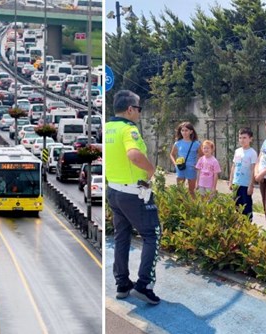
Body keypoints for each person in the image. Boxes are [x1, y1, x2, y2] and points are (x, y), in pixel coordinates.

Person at [105, 90, 160, 305]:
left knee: (122, 235)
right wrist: (151, 170)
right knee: (152, 234)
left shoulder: (108, 127)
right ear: (129, 109)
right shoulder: (129, 130)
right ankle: (144, 285)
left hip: (114, 191)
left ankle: (122, 283)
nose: (139, 112)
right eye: (138, 108)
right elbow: (134, 155)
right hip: (134, 193)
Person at [228, 128, 257, 221]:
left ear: (250, 139)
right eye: (240, 138)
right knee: (236, 204)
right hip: (236, 183)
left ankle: (248, 225)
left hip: (245, 185)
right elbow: (234, 166)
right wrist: (230, 181)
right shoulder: (237, 151)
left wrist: (251, 185)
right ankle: (238, 223)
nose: (242, 140)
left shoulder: (252, 153)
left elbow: (253, 169)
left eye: (244, 137)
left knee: (246, 205)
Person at [169, 122, 202, 196]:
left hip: (191, 169)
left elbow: (201, 156)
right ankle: (180, 206)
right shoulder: (177, 143)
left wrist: (197, 165)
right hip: (180, 168)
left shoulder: (196, 144)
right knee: (180, 191)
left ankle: (192, 207)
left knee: (191, 191)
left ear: (191, 131)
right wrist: (175, 164)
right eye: (182, 130)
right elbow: (172, 154)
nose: (184, 132)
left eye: (186, 130)